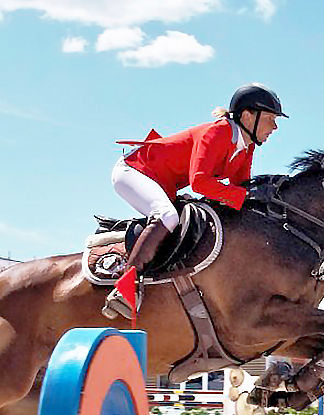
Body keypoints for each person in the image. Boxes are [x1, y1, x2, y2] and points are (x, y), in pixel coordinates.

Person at [103, 84, 287, 318]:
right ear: (248, 116)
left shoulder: (247, 147)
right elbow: (199, 181)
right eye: (270, 118)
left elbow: (239, 189)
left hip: (164, 184)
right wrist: (243, 197)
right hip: (135, 170)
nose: (275, 126)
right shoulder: (218, 132)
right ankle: (126, 287)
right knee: (166, 216)